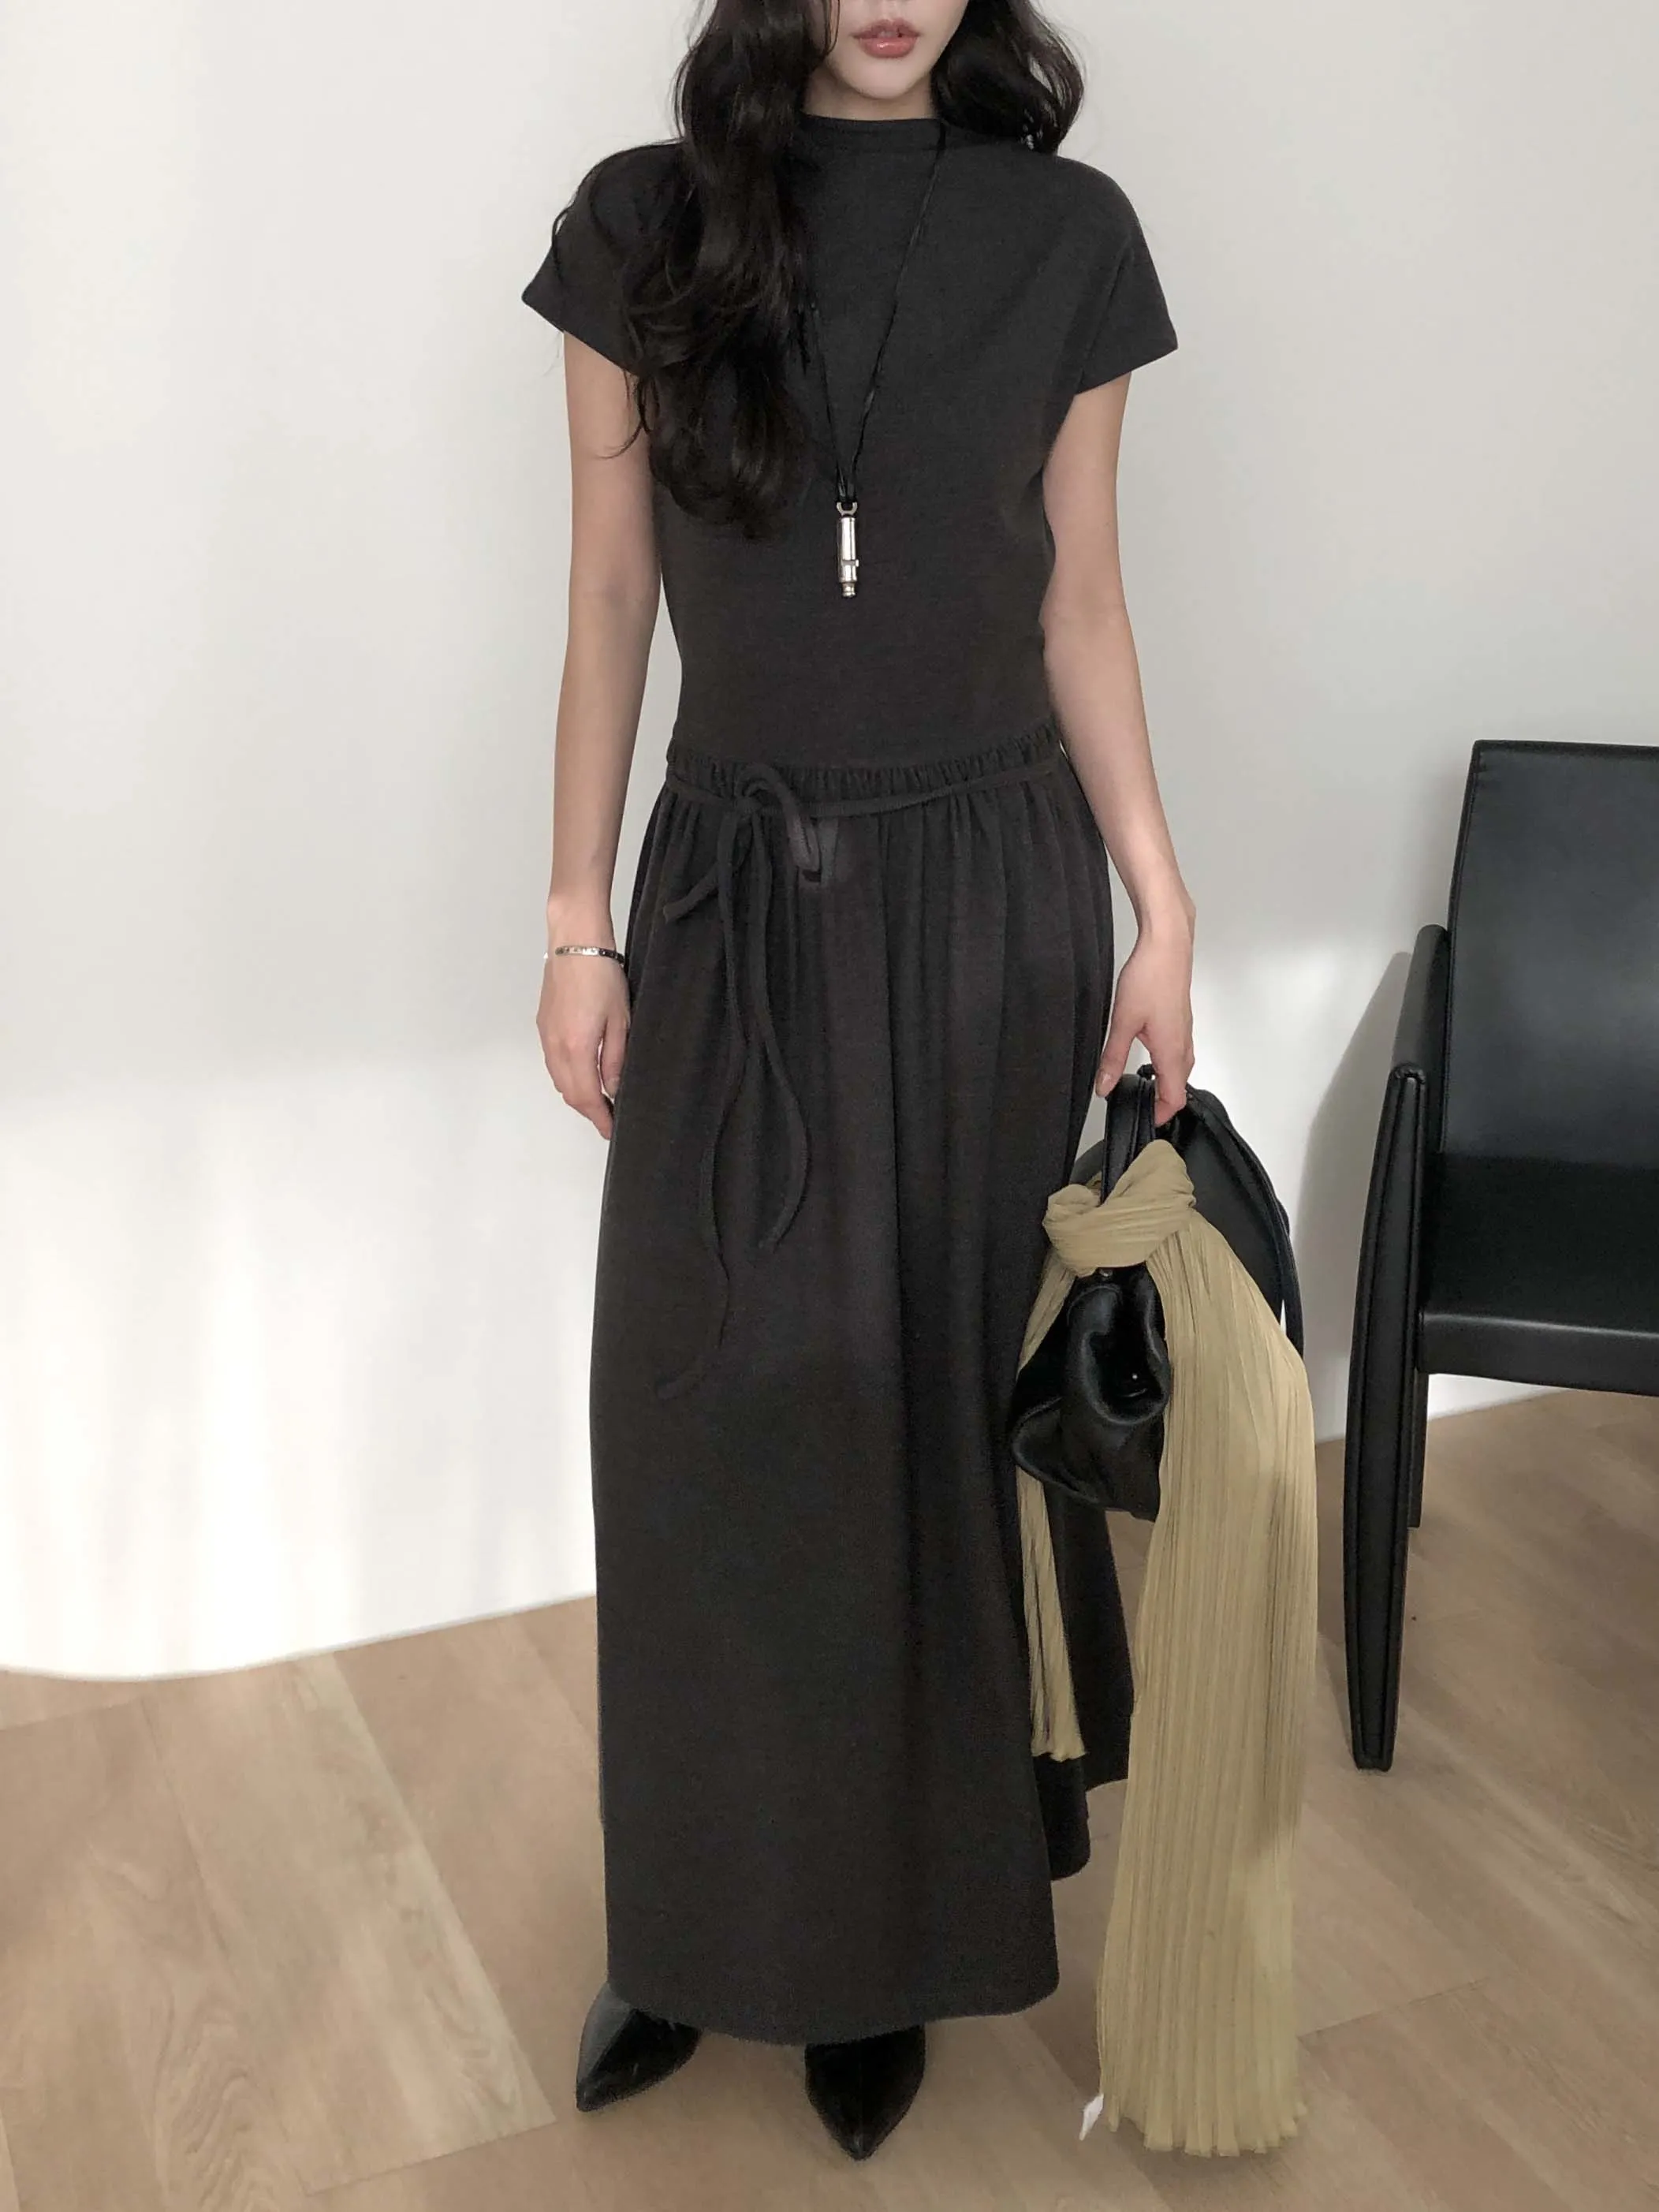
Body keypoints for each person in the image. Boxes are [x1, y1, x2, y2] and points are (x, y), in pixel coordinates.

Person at [523, 0, 1196, 2164]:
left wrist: (1161, 903)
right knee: (702, 1413)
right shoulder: (642, 227)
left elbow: (1080, 599)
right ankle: (694, 1920)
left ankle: (886, 1946)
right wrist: (576, 921)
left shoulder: (1067, 236)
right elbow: (610, 596)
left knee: (924, 1428)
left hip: (991, 895)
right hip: (734, 882)